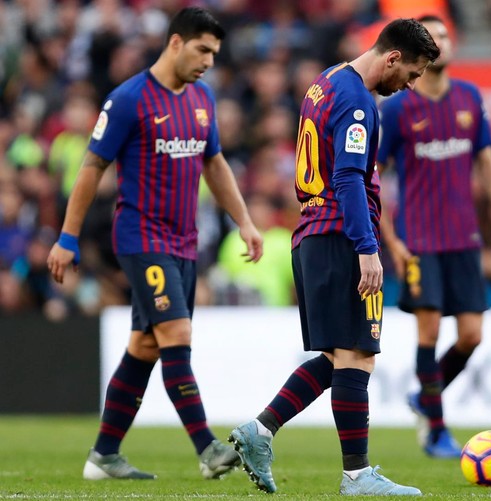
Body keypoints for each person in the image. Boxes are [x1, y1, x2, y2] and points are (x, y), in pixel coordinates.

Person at [47, 7, 264, 480]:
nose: (209, 61)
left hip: (185, 242)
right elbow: (92, 167)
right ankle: (208, 448)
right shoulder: (129, 99)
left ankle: (104, 456)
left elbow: (215, 164)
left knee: (145, 346)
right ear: (175, 43)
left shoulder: (202, 98)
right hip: (141, 237)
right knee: (176, 335)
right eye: (202, 50)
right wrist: (67, 236)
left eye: (215, 53)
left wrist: (245, 221)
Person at [228, 18, 439, 496]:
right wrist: (367, 248)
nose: (410, 85)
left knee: (339, 355)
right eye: (411, 74)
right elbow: (347, 177)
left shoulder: (327, 81)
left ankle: (260, 430)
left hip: (315, 232)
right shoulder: (358, 101)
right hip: (340, 235)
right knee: (357, 356)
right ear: (392, 58)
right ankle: (357, 476)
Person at [376, 15, 491, 458]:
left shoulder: (469, 97)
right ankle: (436, 429)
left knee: (472, 334)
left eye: (445, 35)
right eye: (432, 36)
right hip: (419, 238)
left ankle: (424, 398)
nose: (441, 41)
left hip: (464, 236)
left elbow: (487, 162)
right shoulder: (397, 108)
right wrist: (390, 238)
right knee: (430, 327)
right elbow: (372, 175)